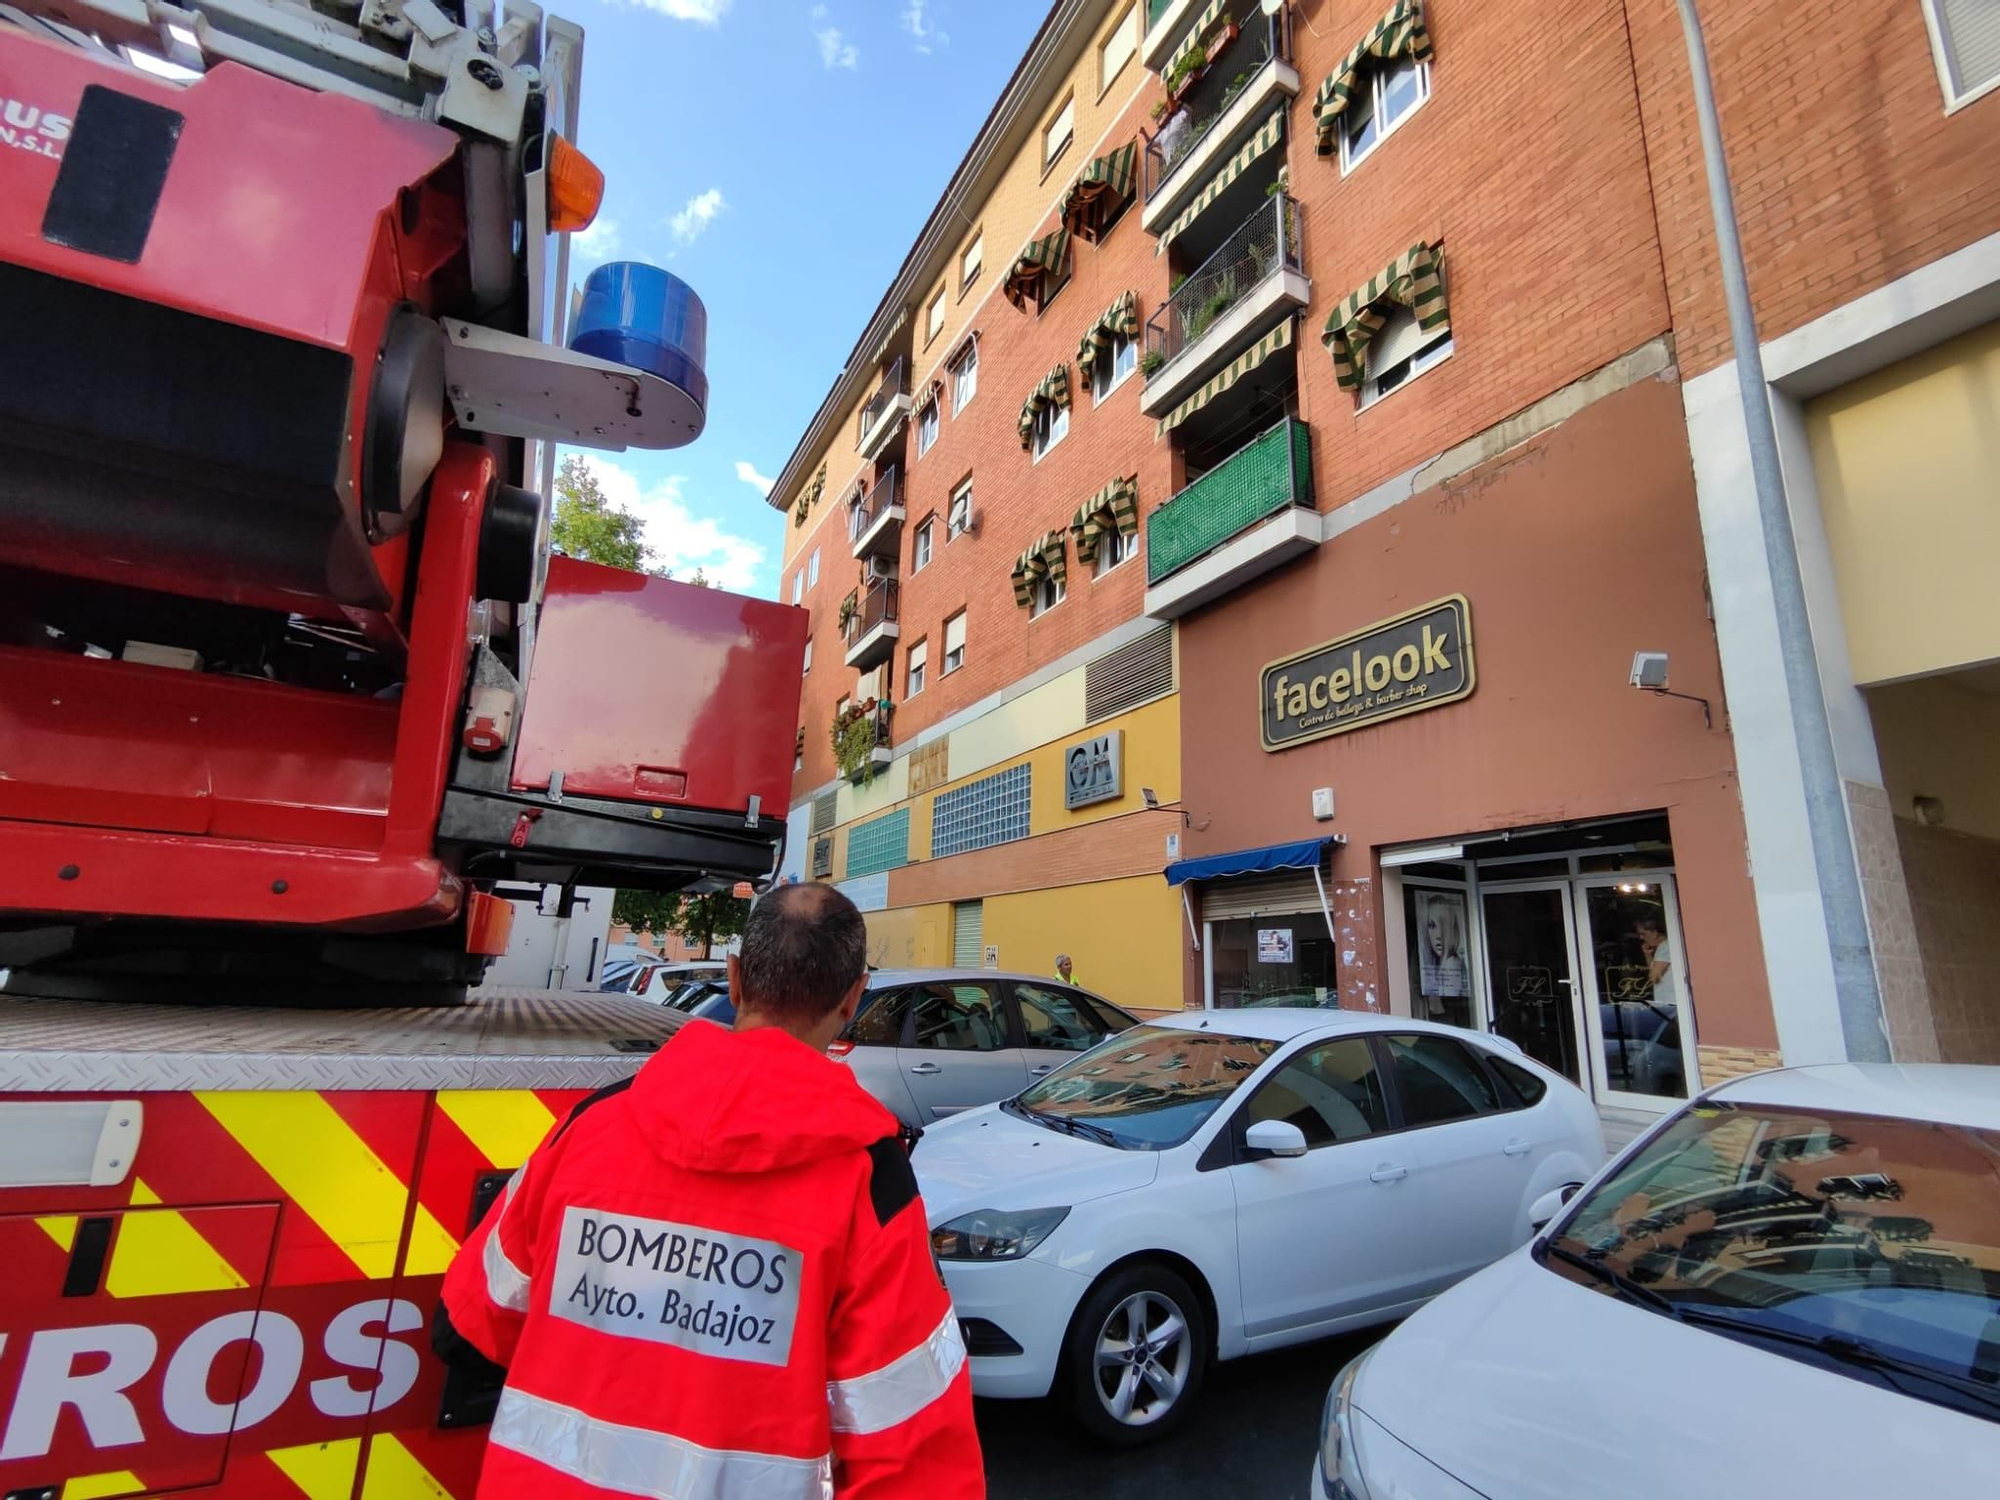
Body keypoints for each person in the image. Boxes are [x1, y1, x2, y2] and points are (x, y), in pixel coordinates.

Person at [438, 883, 983, 1500]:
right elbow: (911, 1452)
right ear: (853, 998)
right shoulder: (869, 1181)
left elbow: (468, 1324)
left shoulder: (593, 1124)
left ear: (734, 980)